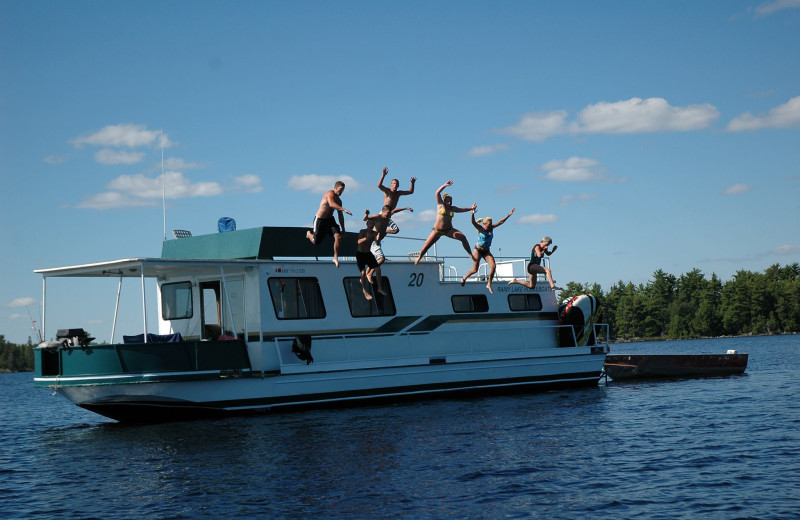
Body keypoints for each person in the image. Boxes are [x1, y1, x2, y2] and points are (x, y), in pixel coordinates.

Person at [414, 180, 476, 264]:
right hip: (437, 231)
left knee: (463, 237)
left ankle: (470, 254)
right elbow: (437, 193)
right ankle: (419, 257)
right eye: (447, 201)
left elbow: (462, 209)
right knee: (426, 247)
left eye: (451, 201)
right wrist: (445, 185)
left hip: (448, 230)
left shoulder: (452, 208)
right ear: (444, 201)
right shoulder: (440, 205)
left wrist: (471, 208)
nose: (449, 202)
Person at [460, 207, 515, 293]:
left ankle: (489, 284)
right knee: (475, 270)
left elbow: (501, 222)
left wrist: (509, 215)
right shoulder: (480, 228)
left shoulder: (492, 227)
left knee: (493, 266)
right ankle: (464, 277)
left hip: (486, 251)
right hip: (478, 250)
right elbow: (472, 222)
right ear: (485, 224)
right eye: (489, 224)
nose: (490, 226)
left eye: (491, 224)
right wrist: (472, 213)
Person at [306, 180, 352, 267]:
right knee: (316, 241)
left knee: (338, 236)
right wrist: (344, 209)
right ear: (335, 188)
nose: (341, 191)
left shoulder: (339, 201)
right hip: (320, 219)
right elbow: (331, 204)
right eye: (340, 189)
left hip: (330, 220)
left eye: (343, 190)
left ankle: (335, 257)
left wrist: (343, 229)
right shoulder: (329, 193)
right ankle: (309, 234)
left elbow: (340, 216)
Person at [362, 205, 412, 278]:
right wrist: (366, 214)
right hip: (373, 241)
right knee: (381, 259)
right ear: (383, 212)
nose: (388, 215)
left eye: (389, 213)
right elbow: (365, 219)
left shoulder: (388, 218)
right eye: (387, 213)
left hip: (377, 241)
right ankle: (370, 274)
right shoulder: (377, 217)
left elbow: (394, 211)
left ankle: (366, 274)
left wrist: (405, 208)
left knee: (374, 259)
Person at [356, 219, 386, 300]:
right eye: (370, 223)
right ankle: (364, 290)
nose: (371, 225)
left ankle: (380, 288)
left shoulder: (374, 233)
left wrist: (378, 237)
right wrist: (366, 238)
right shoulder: (362, 231)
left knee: (378, 269)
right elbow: (358, 242)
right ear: (367, 224)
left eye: (373, 224)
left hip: (368, 253)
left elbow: (376, 242)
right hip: (360, 254)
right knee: (362, 272)